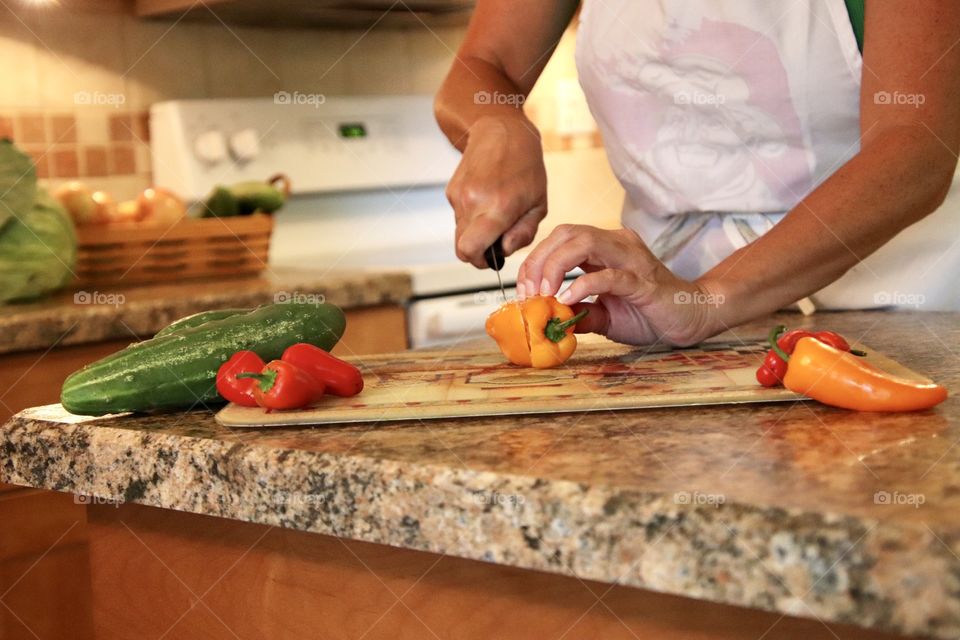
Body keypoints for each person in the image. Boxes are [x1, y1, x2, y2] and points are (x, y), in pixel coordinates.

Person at [434, 1, 960, 346]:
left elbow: (914, 146)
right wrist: (498, 125)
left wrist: (707, 300)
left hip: (890, 317)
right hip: (669, 321)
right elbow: (483, 63)